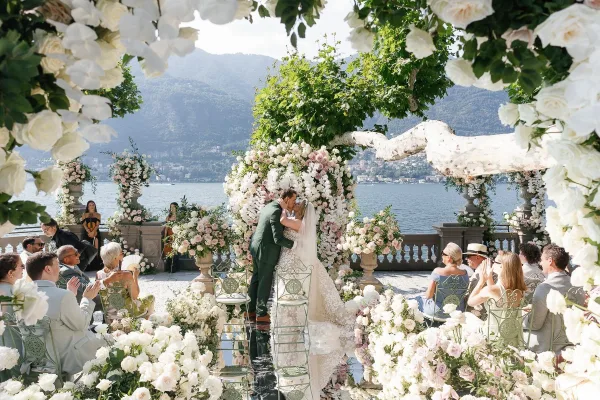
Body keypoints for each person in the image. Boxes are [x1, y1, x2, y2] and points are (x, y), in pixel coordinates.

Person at [273, 199, 355, 399]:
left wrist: (280, 205)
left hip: (295, 260)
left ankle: (295, 320)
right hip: (291, 258)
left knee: (299, 291)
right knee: (297, 290)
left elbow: (282, 219)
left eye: (296, 207)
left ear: (301, 212)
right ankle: (291, 319)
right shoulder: (298, 222)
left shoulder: (295, 223)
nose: (292, 208)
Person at [26, 252, 105, 375]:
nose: (60, 269)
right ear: (48, 269)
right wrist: (87, 299)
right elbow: (81, 325)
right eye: (58, 264)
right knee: (110, 340)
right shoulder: (62, 296)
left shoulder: (21, 296)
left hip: (36, 360)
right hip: (67, 359)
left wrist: (70, 295)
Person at [524, 244, 585, 353]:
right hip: (573, 345)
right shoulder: (578, 286)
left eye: (542, 260)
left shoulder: (544, 288)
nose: (540, 263)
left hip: (548, 348)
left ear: (550, 261)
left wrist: (522, 318)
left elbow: (535, 324)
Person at [248, 189, 297, 324]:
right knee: (265, 281)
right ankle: (261, 313)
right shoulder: (276, 211)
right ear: (286, 199)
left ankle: (250, 310)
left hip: (256, 247)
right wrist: (295, 245)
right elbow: (277, 238)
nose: (294, 203)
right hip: (266, 250)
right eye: (293, 200)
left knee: (256, 279)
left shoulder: (269, 206)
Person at [468, 252, 528, 347]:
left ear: (502, 267)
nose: (492, 264)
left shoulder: (491, 290)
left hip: (492, 336)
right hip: (511, 336)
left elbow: (470, 302)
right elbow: (496, 293)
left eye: (495, 262)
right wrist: (489, 277)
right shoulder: (519, 291)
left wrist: (481, 281)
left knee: (466, 317)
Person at [97, 242, 155, 320]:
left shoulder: (99, 274)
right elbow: (134, 296)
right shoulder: (125, 275)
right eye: (121, 253)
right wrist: (135, 277)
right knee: (150, 297)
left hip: (109, 315)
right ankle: (146, 323)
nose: (123, 255)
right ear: (115, 258)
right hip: (128, 314)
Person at [416, 242, 469, 319]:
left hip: (438, 311)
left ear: (449, 258)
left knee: (417, 300)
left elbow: (429, 295)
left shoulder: (437, 272)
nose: (442, 255)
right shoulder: (465, 273)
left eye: (443, 253)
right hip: (457, 312)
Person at [57, 245, 102, 312]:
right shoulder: (66, 271)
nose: (79, 254)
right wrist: (108, 280)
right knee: (106, 299)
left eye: (77, 252)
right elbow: (86, 288)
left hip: (83, 299)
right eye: (75, 254)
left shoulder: (72, 266)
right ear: (66, 259)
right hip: (77, 307)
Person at [0, 253, 24, 353]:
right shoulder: (15, 292)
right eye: (22, 266)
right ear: (10, 272)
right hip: (13, 344)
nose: (24, 269)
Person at [162, 202, 179, 273]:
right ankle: (168, 267)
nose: (172, 209)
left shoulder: (178, 216)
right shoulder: (168, 216)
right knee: (168, 251)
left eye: (173, 207)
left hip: (175, 235)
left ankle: (174, 268)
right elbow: (166, 227)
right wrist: (165, 236)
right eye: (171, 207)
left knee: (175, 251)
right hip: (169, 235)